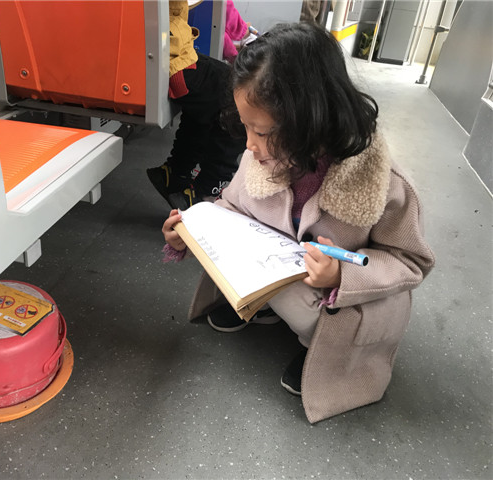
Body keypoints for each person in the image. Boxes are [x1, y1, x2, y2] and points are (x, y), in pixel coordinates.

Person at [161, 23, 435, 423]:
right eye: (245, 127)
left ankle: (318, 347)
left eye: (261, 131)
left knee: (308, 307)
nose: (249, 145)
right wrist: (191, 230)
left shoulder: (387, 185)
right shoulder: (263, 156)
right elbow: (232, 206)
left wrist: (341, 275)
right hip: (284, 272)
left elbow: (411, 261)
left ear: (311, 120)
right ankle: (265, 306)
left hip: (334, 297)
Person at [146, 0, 246, 211]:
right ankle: (206, 192)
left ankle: (176, 171)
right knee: (238, 98)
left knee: (216, 89)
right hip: (168, 58)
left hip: (173, 50)